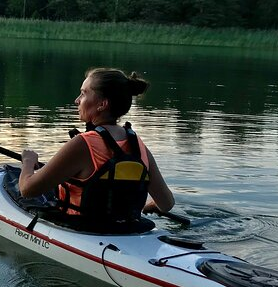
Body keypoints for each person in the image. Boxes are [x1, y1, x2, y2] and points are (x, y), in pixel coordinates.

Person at [18, 68, 174, 224]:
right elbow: (167, 204)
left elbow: (28, 190)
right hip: (127, 230)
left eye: (83, 93)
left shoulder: (83, 143)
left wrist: (28, 161)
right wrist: (152, 206)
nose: (77, 100)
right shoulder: (138, 146)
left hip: (83, 230)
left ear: (102, 104)